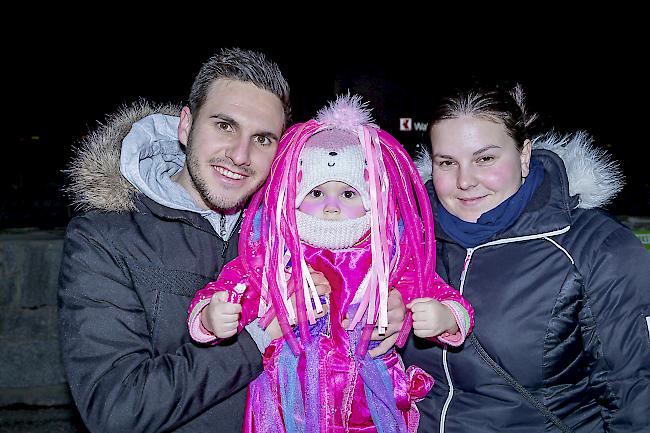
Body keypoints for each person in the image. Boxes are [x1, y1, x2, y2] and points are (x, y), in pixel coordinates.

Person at [58, 48, 405, 433]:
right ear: (187, 125)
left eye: (262, 138)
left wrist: (389, 313)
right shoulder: (106, 237)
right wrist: (260, 336)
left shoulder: (294, 226)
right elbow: (117, 409)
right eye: (225, 126)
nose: (240, 155)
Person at [187, 95, 474, 433]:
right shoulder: (273, 250)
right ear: (293, 196)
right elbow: (229, 286)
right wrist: (211, 315)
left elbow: (437, 292)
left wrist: (445, 317)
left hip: (369, 400)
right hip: (284, 405)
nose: (332, 207)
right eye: (317, 193)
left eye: (349, 194)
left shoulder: (388, 254)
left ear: (372, 199)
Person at [402, 84, 650, 432]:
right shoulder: (404, 240)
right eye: (447, 163)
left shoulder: (596, 248)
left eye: (485, 158)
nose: (465, 180)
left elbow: (634, 393)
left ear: (523, 155)